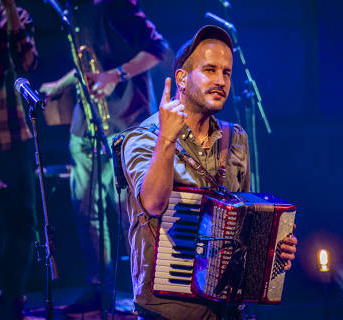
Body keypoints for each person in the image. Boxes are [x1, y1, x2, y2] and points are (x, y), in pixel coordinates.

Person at [121, 25, 298, 320]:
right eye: (210, 70)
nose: (220, 81)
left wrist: (273, 248)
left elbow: (246, 217)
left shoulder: (236, 138)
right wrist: (166, 139)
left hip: (227, 308)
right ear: (181, 78)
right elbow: (152, 204)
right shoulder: (143, 138)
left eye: (226, 73)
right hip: (169, 310)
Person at [39, 0, 168, 312]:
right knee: (86, 212)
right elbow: (89, 60)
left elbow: (158, 48)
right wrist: (63, 83)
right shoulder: (73, 11)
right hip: (87, 125)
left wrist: (116, 75)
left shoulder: (114, 5)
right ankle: (99, 288)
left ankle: (144, 292)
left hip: (126, 125)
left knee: (132, 213)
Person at [0, 0, 39, 318]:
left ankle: (13, 298)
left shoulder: (15, 17)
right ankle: (6, 291)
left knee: (24, 224)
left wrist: (12, 12)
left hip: (12, 136)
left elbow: (27, 61)